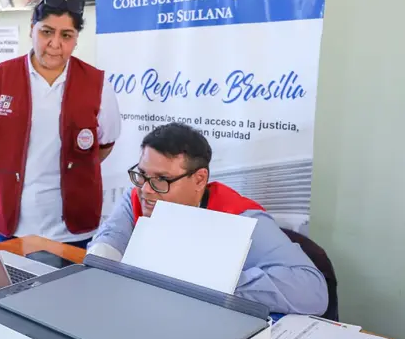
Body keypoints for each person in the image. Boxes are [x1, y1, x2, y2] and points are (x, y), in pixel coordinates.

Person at [89, 122, 329, 316]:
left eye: (162, 179)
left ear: (199, 179)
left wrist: (212, 280)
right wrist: (98, 263)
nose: (146, 190)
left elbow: (312, 291)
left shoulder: (241, 217)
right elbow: (112, 237)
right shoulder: (140, 195)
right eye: (142, 174)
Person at [0, 0, 121, 249]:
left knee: (70, 290)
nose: (55, 44)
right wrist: (9, 167)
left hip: (71, 229)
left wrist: (75, 172)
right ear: (32, 29)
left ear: (76, 40)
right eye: (46, 32)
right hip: (8, 224)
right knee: (10, 289)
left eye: (66, 35)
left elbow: (104, 145)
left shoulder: (97, 85)